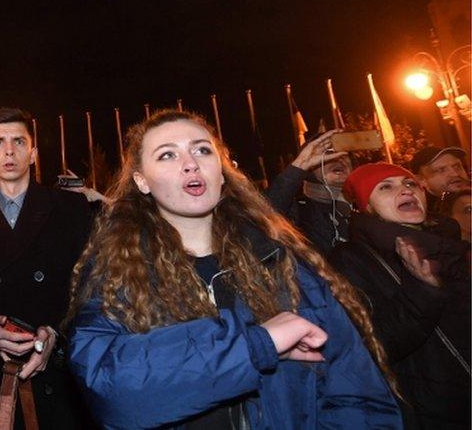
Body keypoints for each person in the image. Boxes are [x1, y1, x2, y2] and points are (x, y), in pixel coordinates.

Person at [66, 110, 401, 429]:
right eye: (167, 155)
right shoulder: (119, 273)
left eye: (202, 150)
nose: (190, 164)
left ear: (221, 170)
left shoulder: (281, 265)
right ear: (142, 181)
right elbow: (110, 388)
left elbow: (358, 395)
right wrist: (257, 345)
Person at [0, 107, 92, 429]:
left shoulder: (71, 210)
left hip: (56, 377)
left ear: (34, 152)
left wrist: (56, 332)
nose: (9, 151)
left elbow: (88, 290)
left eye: (18, 142)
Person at [329, 163, 470, 429]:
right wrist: (422, 290)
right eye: (385, 187)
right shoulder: (350, 259)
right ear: (365, 206)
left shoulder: (451, 246)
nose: (405, 190)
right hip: (434, 413)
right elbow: (373, 343)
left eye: (409, 183)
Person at [265, 130, 352, 254]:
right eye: (328, 154)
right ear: (309, 167)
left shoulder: (364, 208)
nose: (338, 159)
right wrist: (298, 167)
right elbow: (262, 215)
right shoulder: (296, 212)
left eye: (343, 154)